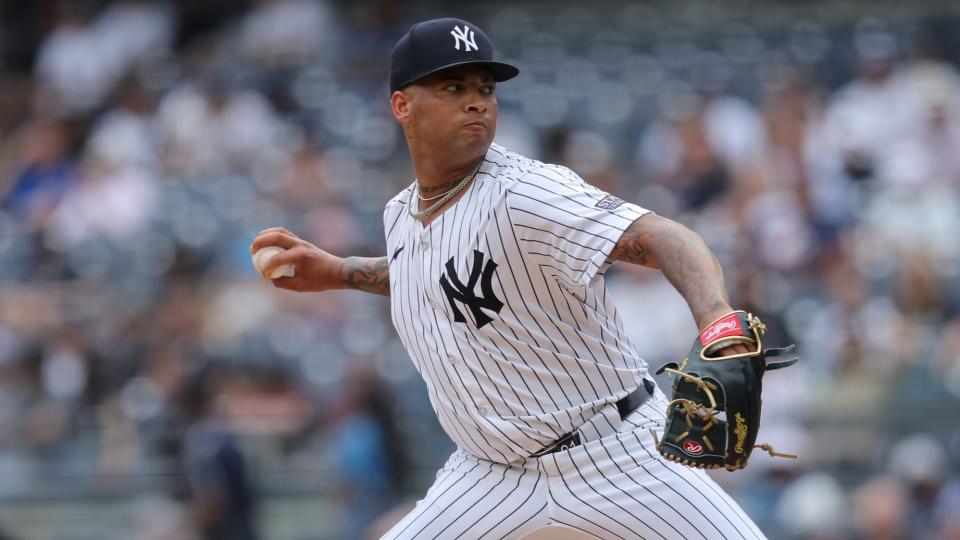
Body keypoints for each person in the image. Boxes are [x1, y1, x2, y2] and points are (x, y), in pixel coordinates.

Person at [252, 17, 766, 539]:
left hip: (618, 454)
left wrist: (718, 320)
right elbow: (446, 276)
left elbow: (665, 236)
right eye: (453, 87)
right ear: (402, 105)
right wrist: (340, 271)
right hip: (490, 476)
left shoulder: (525, 192)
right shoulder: (401, 214)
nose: (477, 102)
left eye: (485, 89)